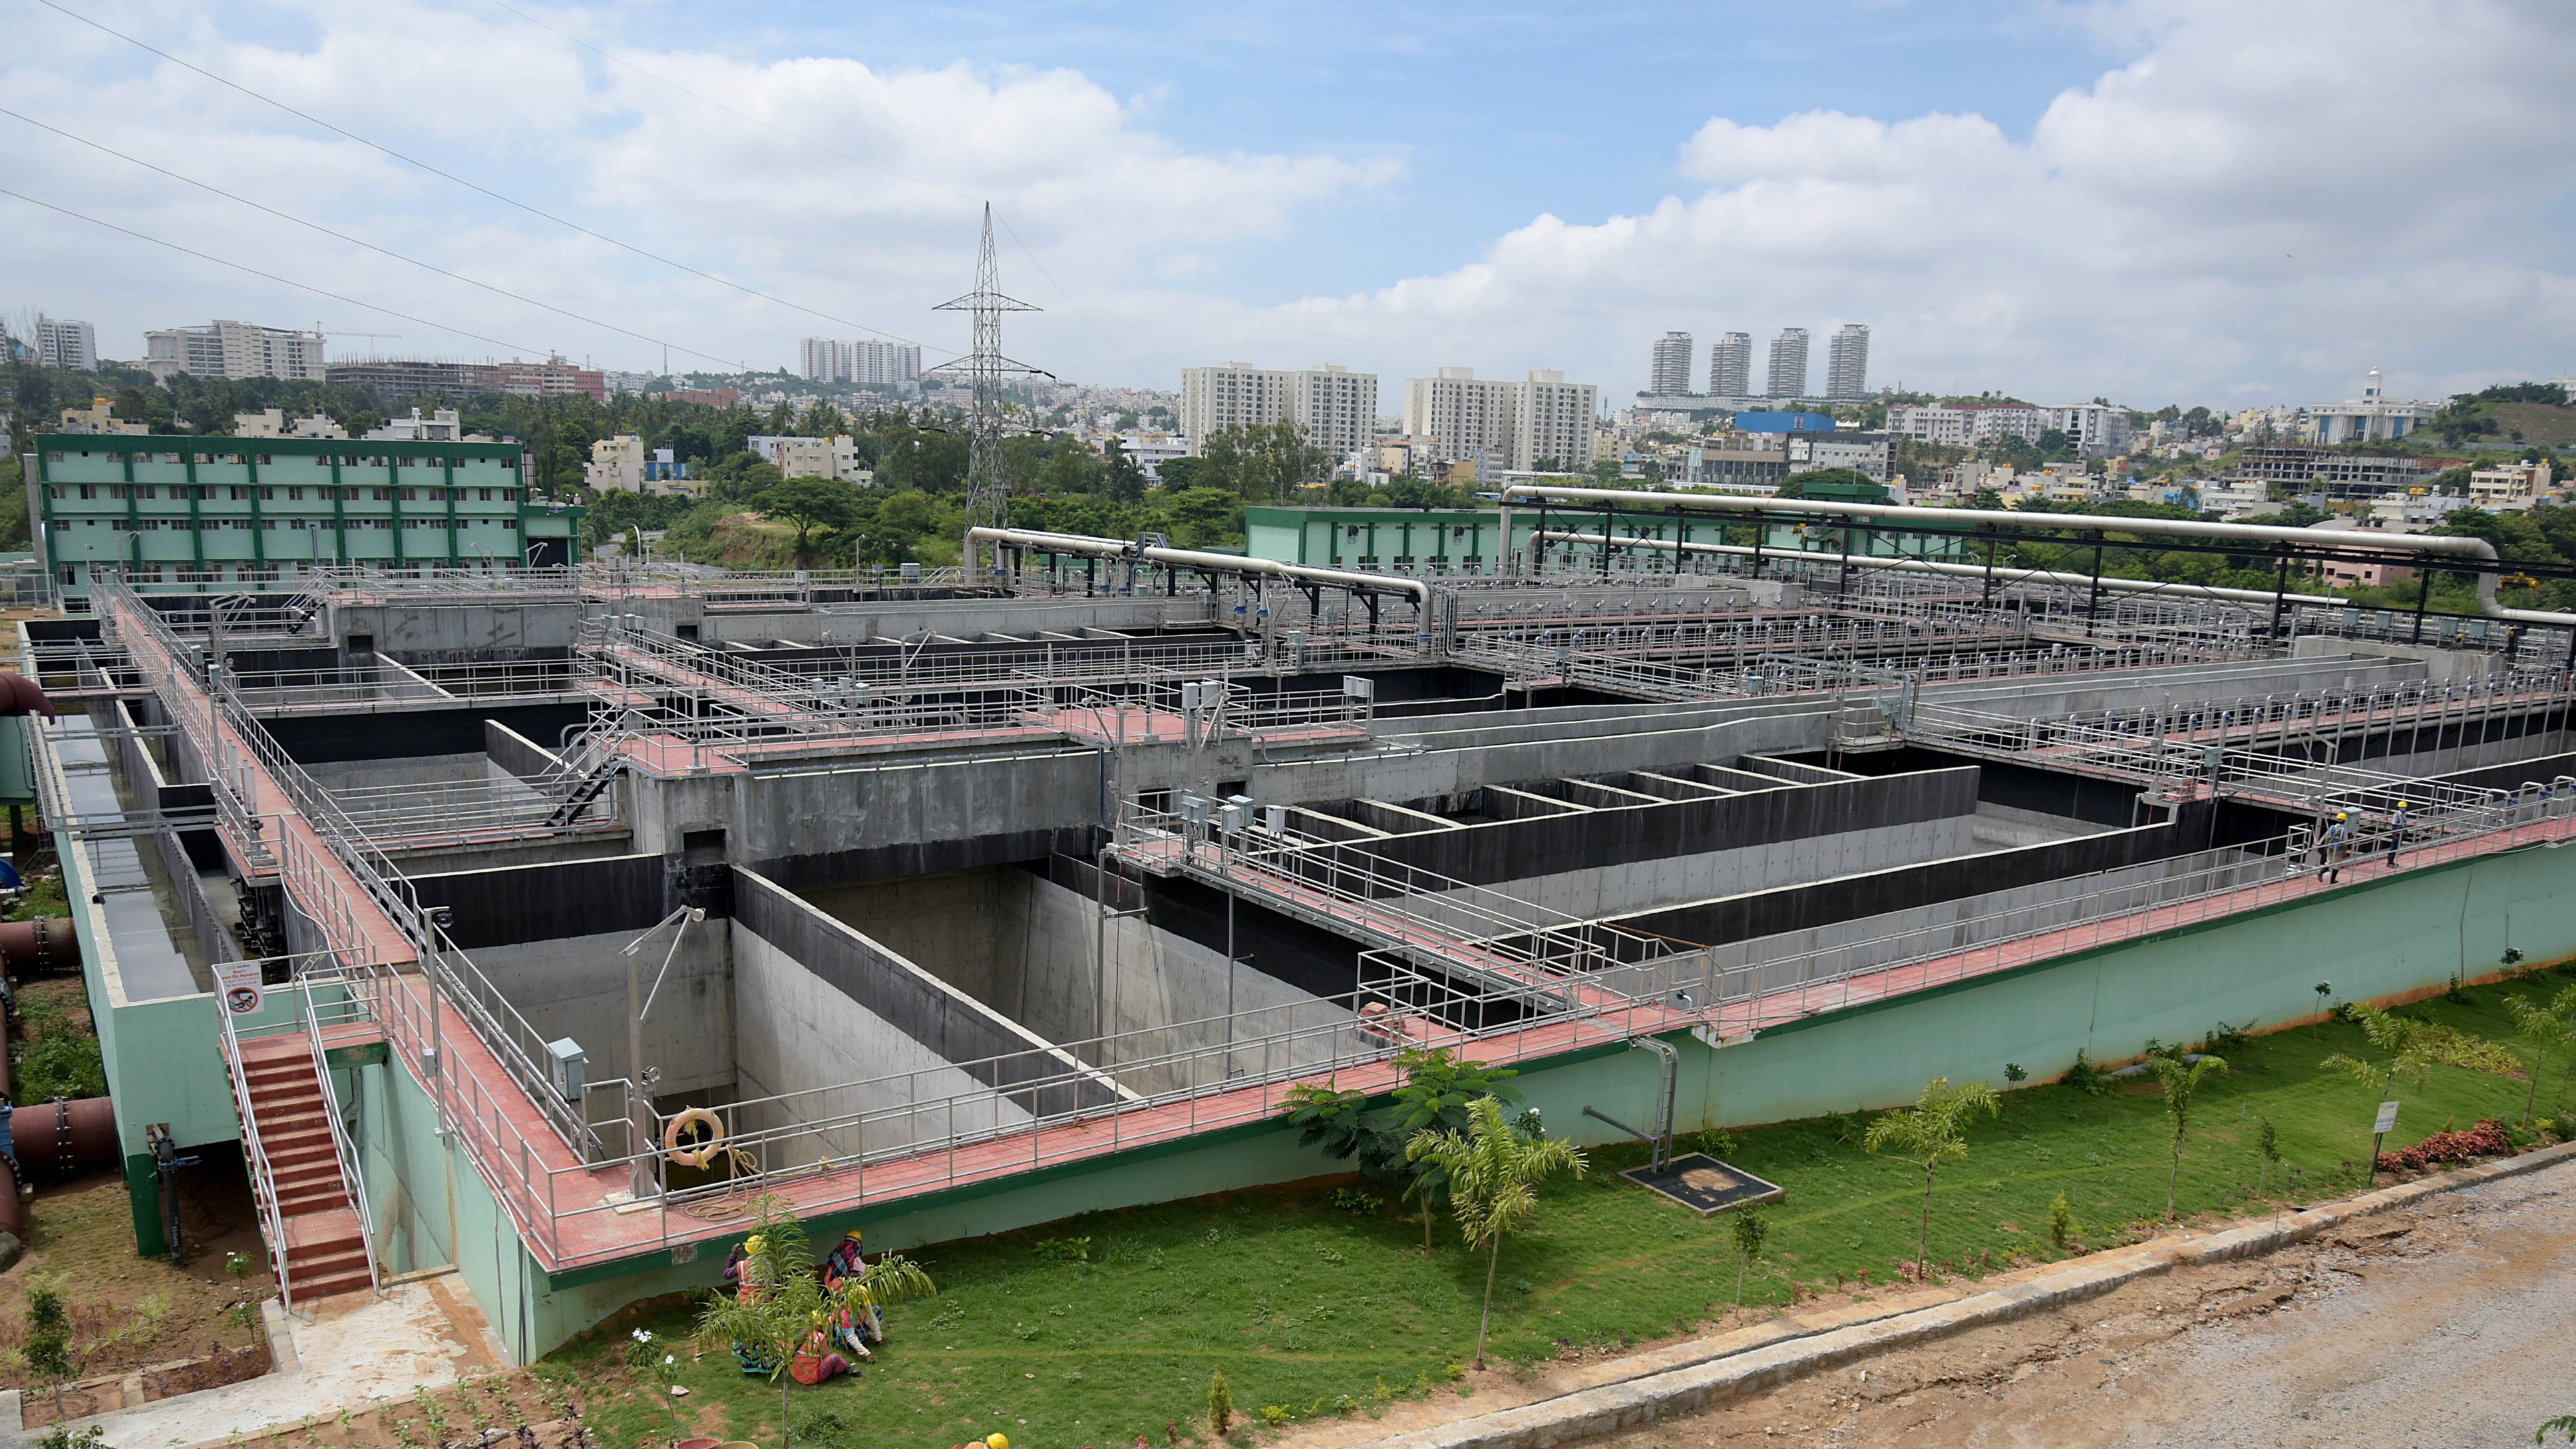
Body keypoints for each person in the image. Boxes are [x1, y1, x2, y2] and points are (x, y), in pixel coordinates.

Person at [2318, 811, 2352, 884]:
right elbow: (2345, 842)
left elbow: (2327, 837)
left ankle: (2321, 872)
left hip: (2330, 848)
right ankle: (2332, 880)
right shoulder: (2344, 830)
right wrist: (2345, 851)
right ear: (2344, 820)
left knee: (2329, 862)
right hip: (2338, 850)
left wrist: (2326, 846)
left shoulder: (2331, 827)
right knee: (2337, 865)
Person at [2385, 799, 2410, 869]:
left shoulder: (2405, 814)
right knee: (2393, 848)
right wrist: (2394, 835)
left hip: (2402, 832)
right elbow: (2394, 825)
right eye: (2402, 807)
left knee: (2397, 848)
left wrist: (2406, 831)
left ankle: (2392, 862)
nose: (2403, 808)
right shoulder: (2396, 815)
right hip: (2397, 833)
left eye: (2404, 807)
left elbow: (2405, 824)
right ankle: (2389, 862)